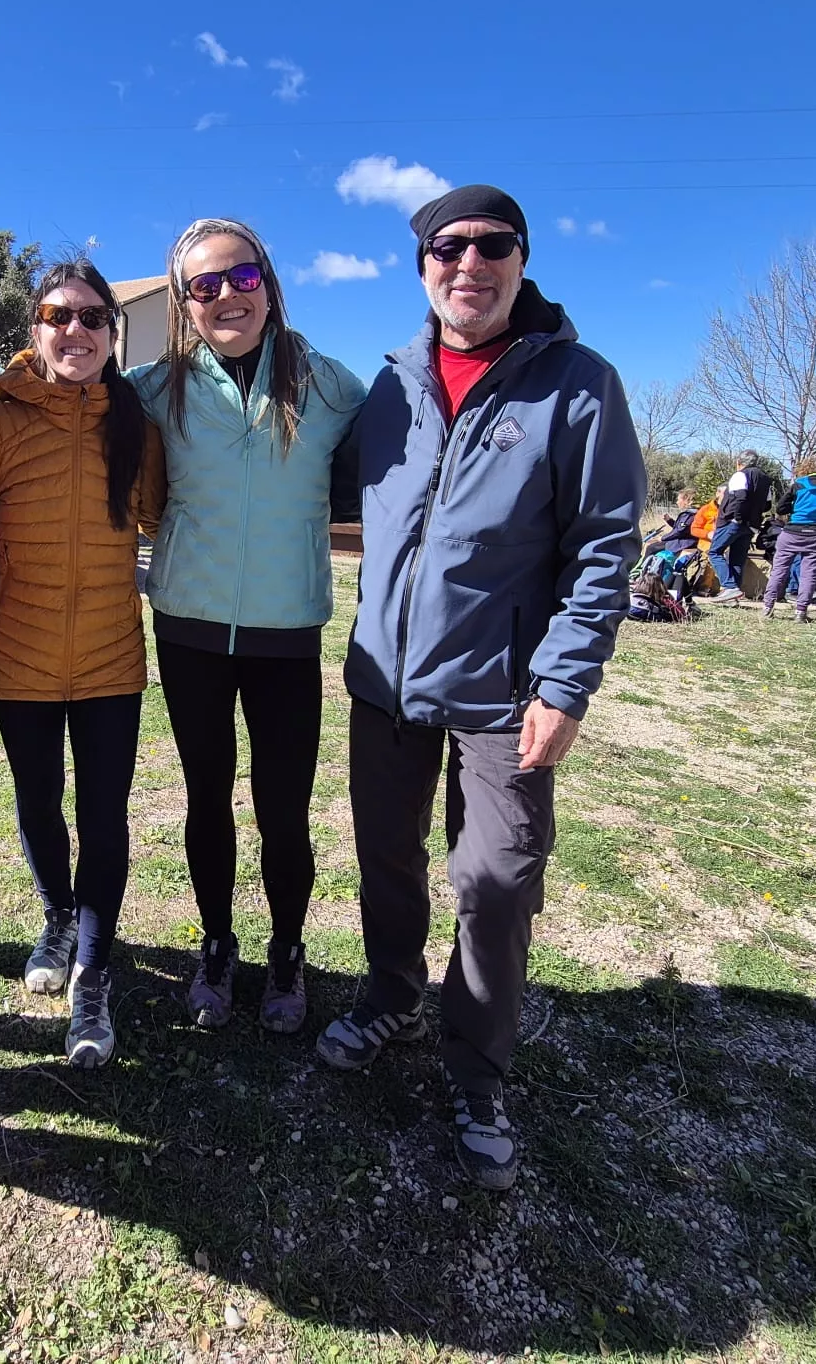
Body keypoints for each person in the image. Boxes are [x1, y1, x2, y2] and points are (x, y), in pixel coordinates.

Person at [322, 184, 644, 1191]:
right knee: (383, 856)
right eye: (445, 247)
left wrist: (565, 682)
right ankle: (388, 992)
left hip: (508, 691)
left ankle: (477, 1067)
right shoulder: (387, 390)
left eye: (489, 245)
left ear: (520, 257)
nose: (468, 262)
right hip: (385, 680)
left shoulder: (576, 385)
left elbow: (603, 548)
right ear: (419, 267)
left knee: (494, 880)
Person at [128, 218, 366, 1034]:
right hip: (188, 626)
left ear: (268, 280)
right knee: (205, 799)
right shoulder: (157, 387)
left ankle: (289, 951)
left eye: (240, 277)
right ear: (183, 301)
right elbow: (60, 389)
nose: (225, 295)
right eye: (203, 284)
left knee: (283, 807)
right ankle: (219, 945)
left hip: (286, 631)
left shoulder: (331, 386)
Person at [0, 260, 167, 1068]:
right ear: (35, 329)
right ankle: (56, 916)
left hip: (110, 660)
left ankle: (93, 969)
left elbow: (157, 515)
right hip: (16, 653)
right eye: (60, 315)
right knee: (37, 801)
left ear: (112, 334)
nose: (77, 331)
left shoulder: (136, 425)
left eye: (94, 318)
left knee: (104, 814)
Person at [762, 458, 816, 622]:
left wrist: (796, 508)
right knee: (809, 574)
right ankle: (801, 612)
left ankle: (767, 607)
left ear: (807, 468)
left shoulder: (799, 484)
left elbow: (780, 508)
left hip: (792, 532)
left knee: (779, 571)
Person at [705, 450, 770, 603]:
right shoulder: (765, 479)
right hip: (752, 525)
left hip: (734, 523)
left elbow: (740, 497)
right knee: (737, 559)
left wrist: (736, 518)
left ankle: (729, 587)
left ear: (739, 463)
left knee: (715, 552)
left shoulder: (740, 475)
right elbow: (767, 504)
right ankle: (733, 595)